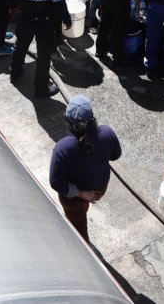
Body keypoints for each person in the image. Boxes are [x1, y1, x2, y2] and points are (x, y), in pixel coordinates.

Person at [49, 95, 122, 242]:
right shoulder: (107, 133)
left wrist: (81, 193)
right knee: (86, 205)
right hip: (99, 189)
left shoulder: (62, 148)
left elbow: (56, 183)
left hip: (74, 198)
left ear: (66, 120)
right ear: (93, 117)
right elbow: (115, 155)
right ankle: (90, 202)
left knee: (78, 226)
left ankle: (84, 249)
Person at [6, 0, 71, 96]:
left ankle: (14, 73)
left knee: (20, 45)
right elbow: (59, 1)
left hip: (24, 18)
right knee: (44, 55)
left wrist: (13, 7)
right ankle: (41, 88)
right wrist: (66, 18)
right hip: (44, 22)